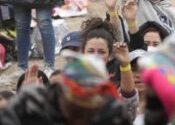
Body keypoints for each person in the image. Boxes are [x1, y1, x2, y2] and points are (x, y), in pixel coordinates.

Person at [0, 53, 132, 125]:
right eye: (76, 102)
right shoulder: (34, 104)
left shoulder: (113, 112)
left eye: (89, 103)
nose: (82, 109)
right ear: (62, 90)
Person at [80, 17, 139, 121]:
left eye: (101, 52)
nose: (95, 56)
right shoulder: (71, 84)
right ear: (82, 53)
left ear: (109, 55)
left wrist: (125, 64)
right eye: (90, 51)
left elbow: (129, 103)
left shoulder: (112, 88)